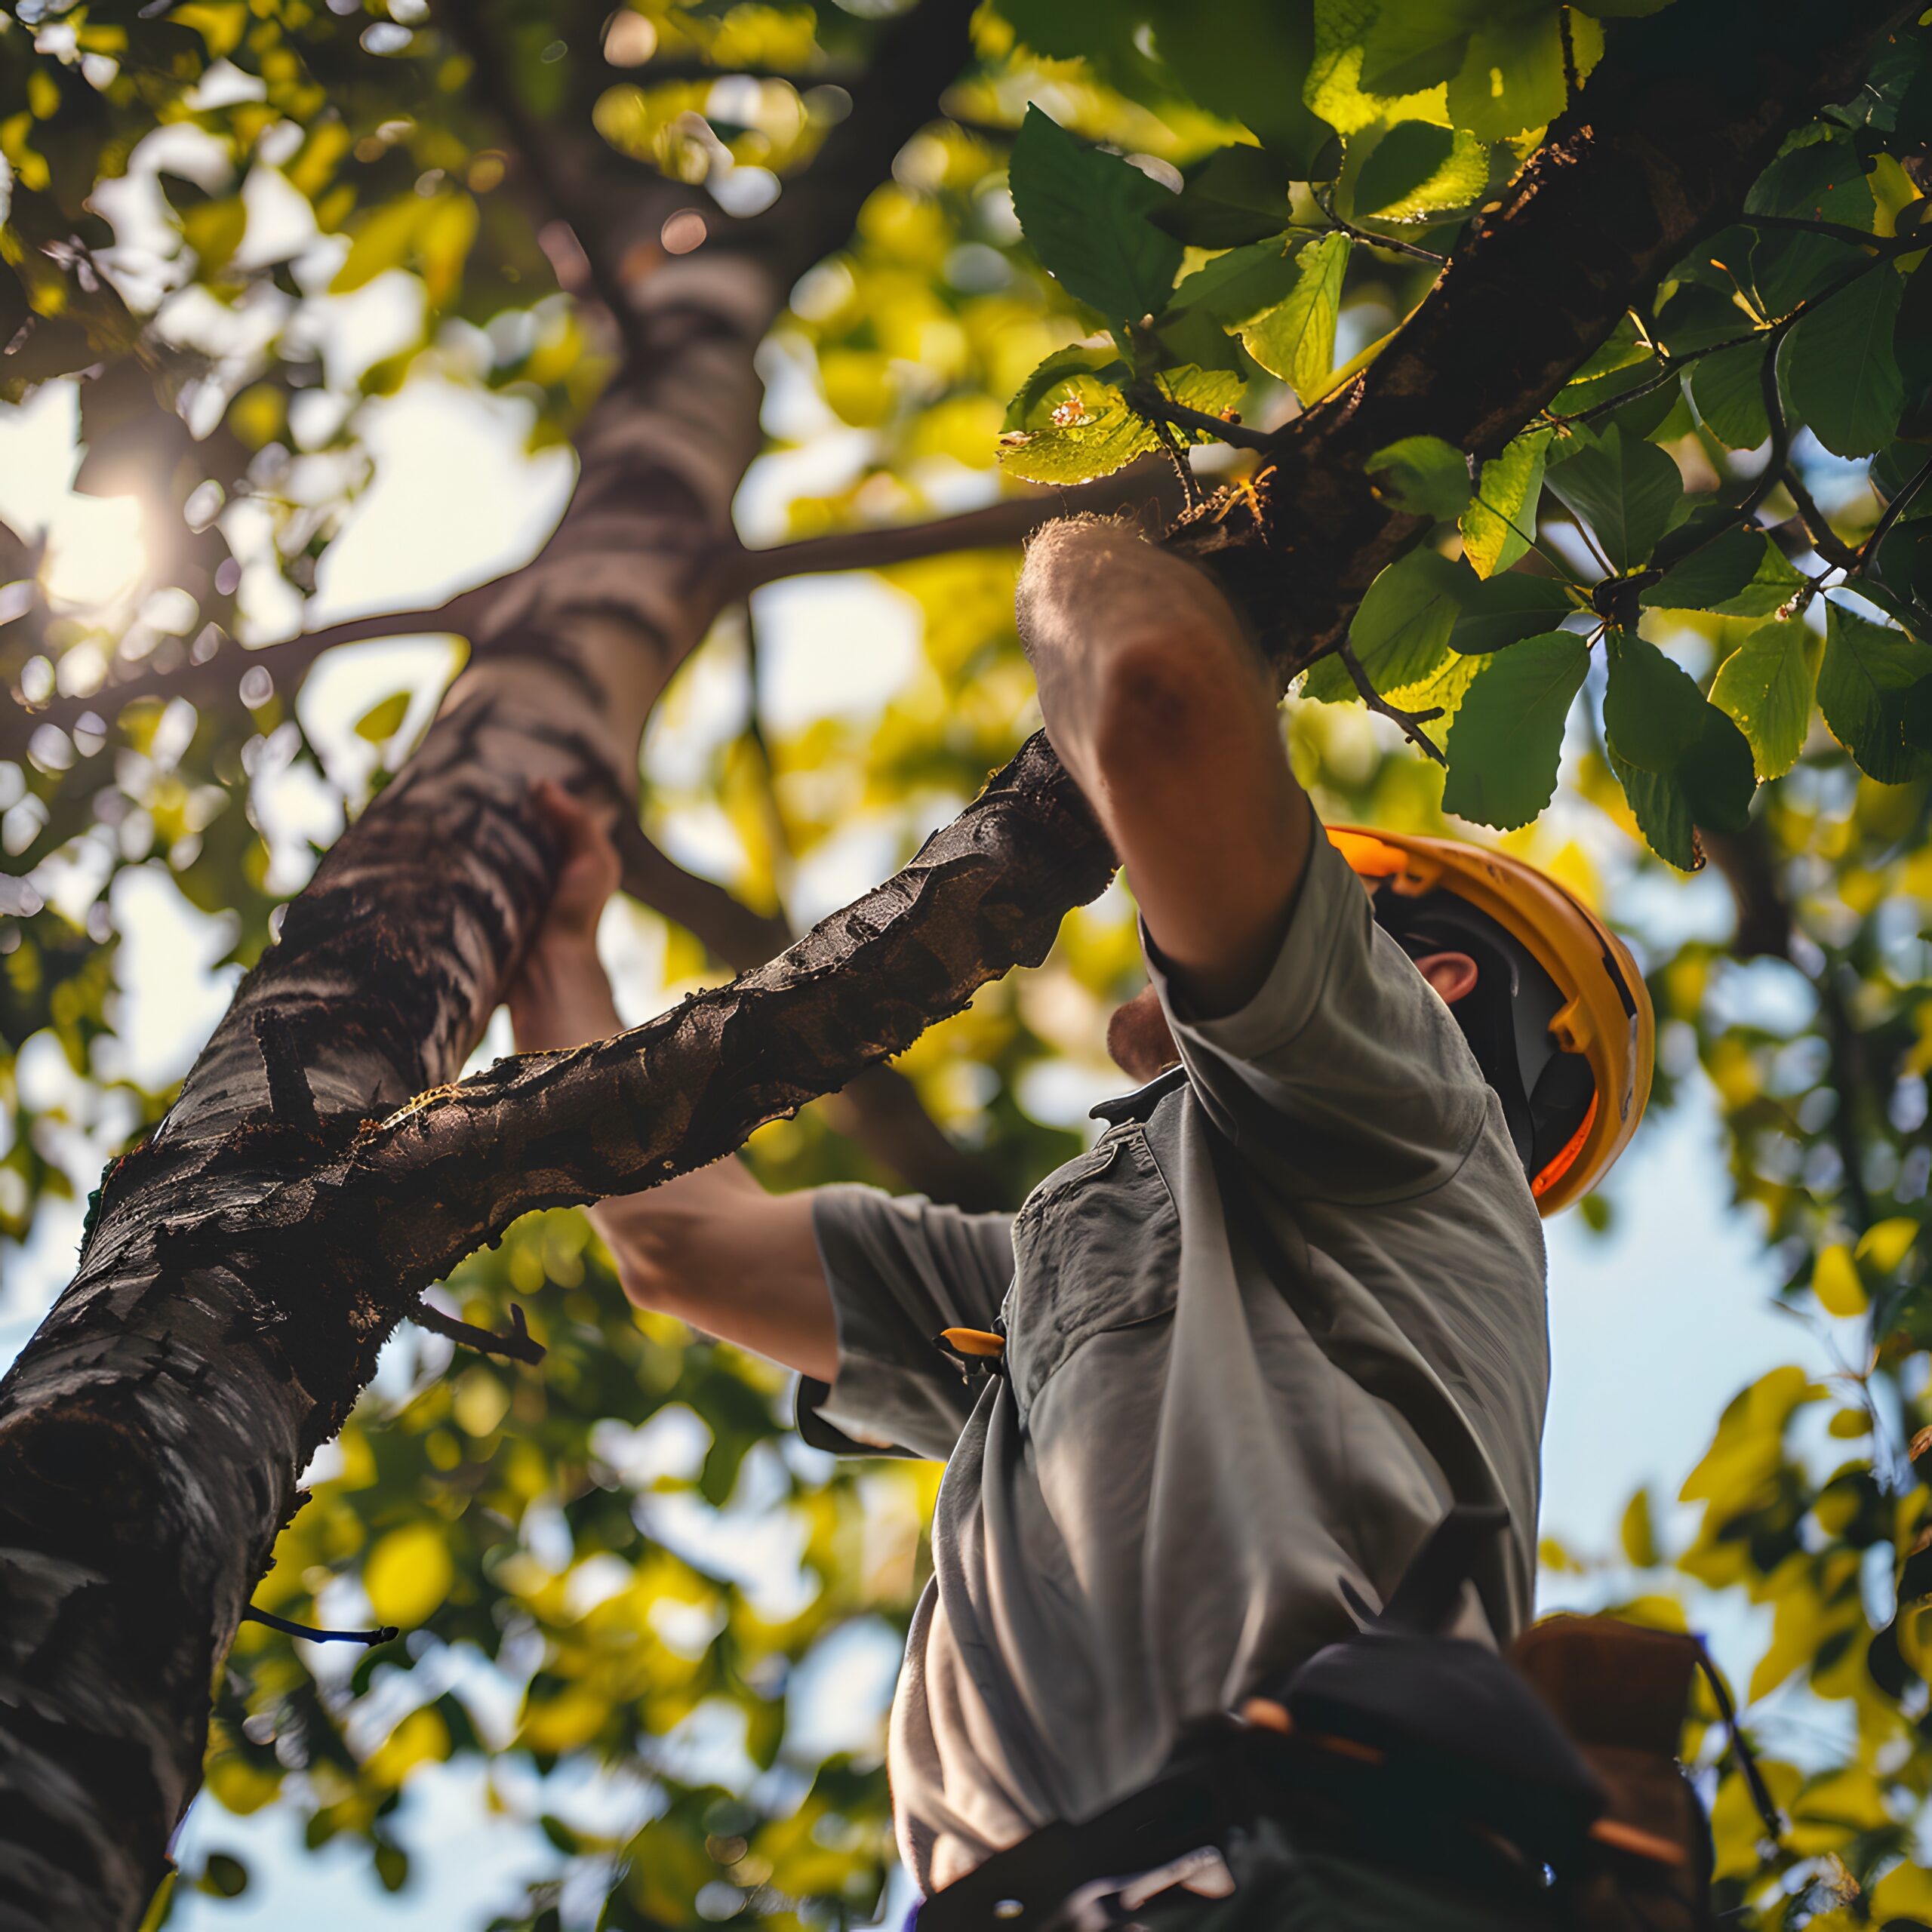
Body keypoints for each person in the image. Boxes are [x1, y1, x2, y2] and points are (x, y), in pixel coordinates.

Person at [508, 518, 1654, 1927]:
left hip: (1311, 1877)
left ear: (1435, 977)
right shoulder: (1104, 1262)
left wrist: (1115, 544)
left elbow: (1158, 700)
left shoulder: (1408, 1101)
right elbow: (686, 1245)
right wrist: (557, 955)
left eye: (1331, 892)